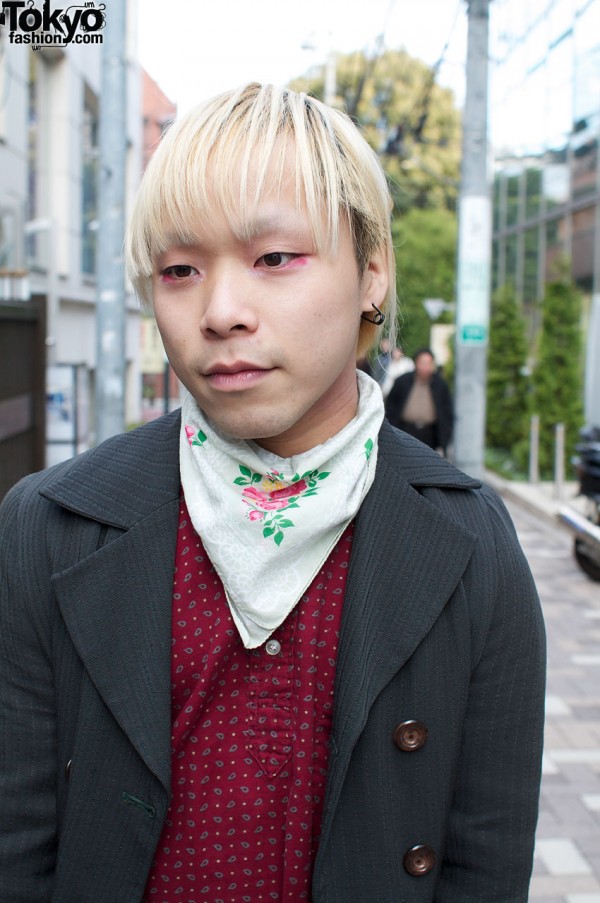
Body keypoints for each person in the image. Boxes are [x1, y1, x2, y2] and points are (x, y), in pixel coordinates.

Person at [0, 83, 545, 903]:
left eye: (274, 258)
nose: (220, 310)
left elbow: (485, 861)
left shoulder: (471, 546)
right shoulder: (49, 528)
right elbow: (18, 846)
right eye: (179, 269)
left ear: (372, 272)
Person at [385, 347, 454, 455]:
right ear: (416, 363)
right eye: (423, 363)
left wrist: (445, 437)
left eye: (429, 363)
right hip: (404, 431)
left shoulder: (440, 385)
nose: (425, 367)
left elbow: (447, 412)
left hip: (430, 435)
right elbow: (390, 406)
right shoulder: (402, 381)